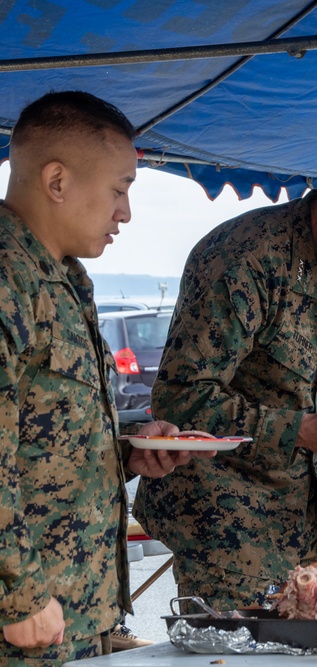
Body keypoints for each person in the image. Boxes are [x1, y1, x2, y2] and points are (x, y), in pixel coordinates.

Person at [134, 143, 317, 612]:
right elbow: (181, 397)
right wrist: (301, 430)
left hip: (308, 519)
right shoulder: (244, 257)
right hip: (223, 523)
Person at [0, 91, 210, 665]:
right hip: (25, 621)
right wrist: (17, 596)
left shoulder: (63, 277)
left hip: (73, 611)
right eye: (119, 189)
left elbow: (35, 435)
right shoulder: (8, 279)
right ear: (57, 181)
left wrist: (125, 452)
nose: (126, 212)